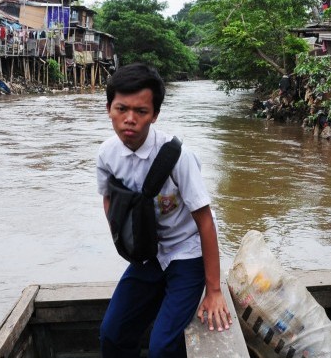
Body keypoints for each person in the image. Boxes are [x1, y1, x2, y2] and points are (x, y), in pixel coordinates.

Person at [96, 63, 232, 358]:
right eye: (121, 109)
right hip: (149, 253)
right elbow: (108, 200)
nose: (129, 119)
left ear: (154, 115)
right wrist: (126, 242)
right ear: (109, 108)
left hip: (186, 253)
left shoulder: (177, 157)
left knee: (163, 347)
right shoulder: (107, 155)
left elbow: (205, 222)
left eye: (141, 112)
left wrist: (214, 290)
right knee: (112, 333)